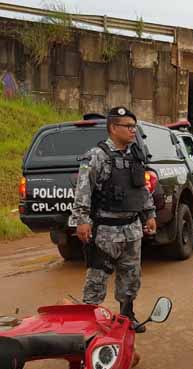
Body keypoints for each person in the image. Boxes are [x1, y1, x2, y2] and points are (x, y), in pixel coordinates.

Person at [71, 107, 156, 332]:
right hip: (106, 230)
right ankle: (88, 320)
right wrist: (82, 219)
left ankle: (127, 316)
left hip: (132, 229)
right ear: (113, 128)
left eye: (134, 126)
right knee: (97, 278)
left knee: (131, 277)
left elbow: (142, 190)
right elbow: (83, 190)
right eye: (128, 126)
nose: (132, 130)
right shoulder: (96, 156)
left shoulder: (135, 155)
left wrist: (149, 215)